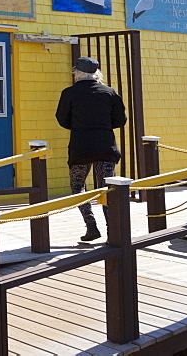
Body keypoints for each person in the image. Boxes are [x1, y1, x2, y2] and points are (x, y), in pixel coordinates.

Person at [55, 56, 127, 242]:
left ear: (77, 72)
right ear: (96, 73)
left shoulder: (69, 93)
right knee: (107, 189)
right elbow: (120, 120)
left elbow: (62, 119)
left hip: (81, 146)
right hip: (106, 146)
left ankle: (91, 225)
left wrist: (80, 125)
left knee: (78, 187)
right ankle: (113, 233)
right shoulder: (109, 92)